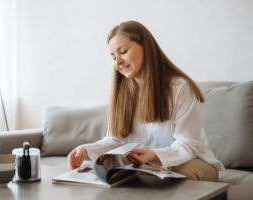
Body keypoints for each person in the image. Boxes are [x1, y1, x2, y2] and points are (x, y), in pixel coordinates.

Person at [67, 20, 224, 181]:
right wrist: (87, 150)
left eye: (123, 51)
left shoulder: (179, 88)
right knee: (118, 175)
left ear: (146, 48)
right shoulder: (123, 94)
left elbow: (189, 143)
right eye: (113, 56)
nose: (118, 62)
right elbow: (116, 140)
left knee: (173, 178)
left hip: (193, 160)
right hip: (150, 167)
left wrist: (155, 155)